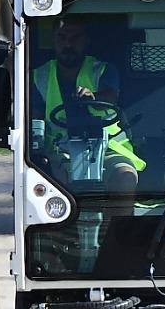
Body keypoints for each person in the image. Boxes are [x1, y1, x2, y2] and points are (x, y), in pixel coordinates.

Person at [31, 18, 146, 194]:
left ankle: (118, 222)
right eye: (62, 37)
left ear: (87, 41)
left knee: (125, 177)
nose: (68, 44)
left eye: (75, 38)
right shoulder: (38, 76)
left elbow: (110, 97)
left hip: (107, 149)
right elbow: (33, 117)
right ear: (53, 40)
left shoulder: (103, 70)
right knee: (55, 182)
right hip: (58, 150)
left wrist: (93, 97)